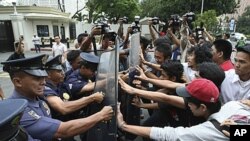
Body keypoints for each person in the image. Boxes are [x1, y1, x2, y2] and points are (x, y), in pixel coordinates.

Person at [1, 54, 113, 140]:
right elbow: (63, 130)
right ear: (18, 82)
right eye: (37, 79)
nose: (43, 83)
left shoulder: (36, 97)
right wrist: (101, 115)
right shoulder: (19, 112)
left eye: (44, 78)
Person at [117, 78, 250, 141]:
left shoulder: (213, 130)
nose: (187, 105)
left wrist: (124, 126)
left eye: (189, 102)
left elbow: (168, 135)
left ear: (203, 107)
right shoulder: (234, 105)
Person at [44, 55, 105, 121]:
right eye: (59, 71)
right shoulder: (45, 89)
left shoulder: (61, 84)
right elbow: (63, 108)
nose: (63, 73)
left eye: (62, 70)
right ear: (48, 75)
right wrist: (92, 98)